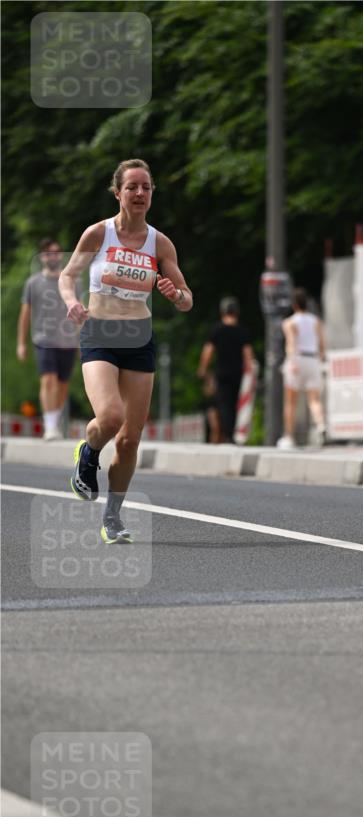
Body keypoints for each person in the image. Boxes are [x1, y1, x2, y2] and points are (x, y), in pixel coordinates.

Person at [59, 158, 192, 542]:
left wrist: (175, 293)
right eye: (132, 187)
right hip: (100, 333)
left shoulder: (159, 243)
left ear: (152, 194)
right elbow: (68, 276)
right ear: (117, 193)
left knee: (131, 438)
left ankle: (112, 517)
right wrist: (71, 301)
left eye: (146, 187)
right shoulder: (98, 235)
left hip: (138, 338)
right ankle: (88, 451)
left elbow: (187, 299)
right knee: (111, 416)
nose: (139, 193)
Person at [17, 238, 82, 440]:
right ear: (42, 257)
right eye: (48, 253)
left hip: (68, 340)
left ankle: (55, 418)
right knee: (48, 380)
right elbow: (25, 314)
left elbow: (80, 311)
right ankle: (50, 426)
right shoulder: (33, 283)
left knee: (62, 384)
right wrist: (21, 343)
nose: (52, 256)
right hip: (43, 339)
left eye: (56, 252)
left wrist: (83, 340)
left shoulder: (74, 282)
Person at [197, 297, 253, 443]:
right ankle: (230, 434)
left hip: (222, 372)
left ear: (222, 312)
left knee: (224, 403)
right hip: (237, 373)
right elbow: (248, 355)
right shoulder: (242, 331)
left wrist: (203, 368)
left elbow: (208, 351)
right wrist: (250, 372)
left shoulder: (217, 330)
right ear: (236, 312)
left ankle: (227, 435)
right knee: (234, 403)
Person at [277, 288, 326, 449]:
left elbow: (291, 342)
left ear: (294, 304)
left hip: (297, 359)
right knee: (314, 399)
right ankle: (320, 425)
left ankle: (289, 436)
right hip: (313, 359)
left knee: (291, 402)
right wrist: (321, 359)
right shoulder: (315, 321)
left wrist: (292, 361)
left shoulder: (290, 322)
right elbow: (322, 343)